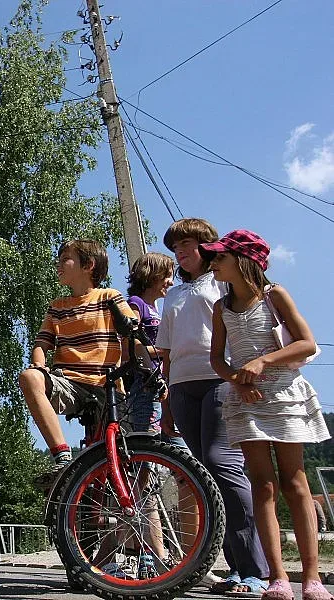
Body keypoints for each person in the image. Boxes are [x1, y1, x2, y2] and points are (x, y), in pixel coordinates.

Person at [203, 230, 331, 600]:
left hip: (285, 394)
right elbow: (217, 359)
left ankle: (312, 577)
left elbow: (307, 343)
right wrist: (236, 381)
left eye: (220, 257)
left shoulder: (274, 296)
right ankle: (277, 577)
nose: (213, 264)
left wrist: (263, 360)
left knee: (295, 481)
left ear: (244, 261)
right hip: (247, 399)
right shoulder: (221, 308)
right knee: (262, 484)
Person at [156, 219, 269, 596]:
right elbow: (167, 353)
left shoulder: (222, 283)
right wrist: (167, 402)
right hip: (182, 386)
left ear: (208, 246)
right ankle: (234, 569)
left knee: (223, 462)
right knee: (203, 471)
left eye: (187, 244)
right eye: (175, 248)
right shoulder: (172, 295)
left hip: (220, 379)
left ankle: (256, 568)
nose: (181, 253)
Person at [18, 239, 136, 484]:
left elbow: (131, 324)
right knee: (30, 377)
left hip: (107, 387)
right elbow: (42, 344)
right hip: (70, 384)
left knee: (121, 463)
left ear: (88, 265)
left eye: (65, 260)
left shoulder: (108, 297)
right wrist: (39, 366)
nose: (58, 265)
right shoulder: (57, 307)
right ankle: (62, 455)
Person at [124, 252, 176, 436]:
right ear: (152, 275)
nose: (170, 282)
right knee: (148, 440)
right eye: (167, 275)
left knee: (172, 446)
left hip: (159, 383)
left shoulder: (154, 308)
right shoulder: (136, 303)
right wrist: (164, 351)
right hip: (145, 382)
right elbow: (130, 344)